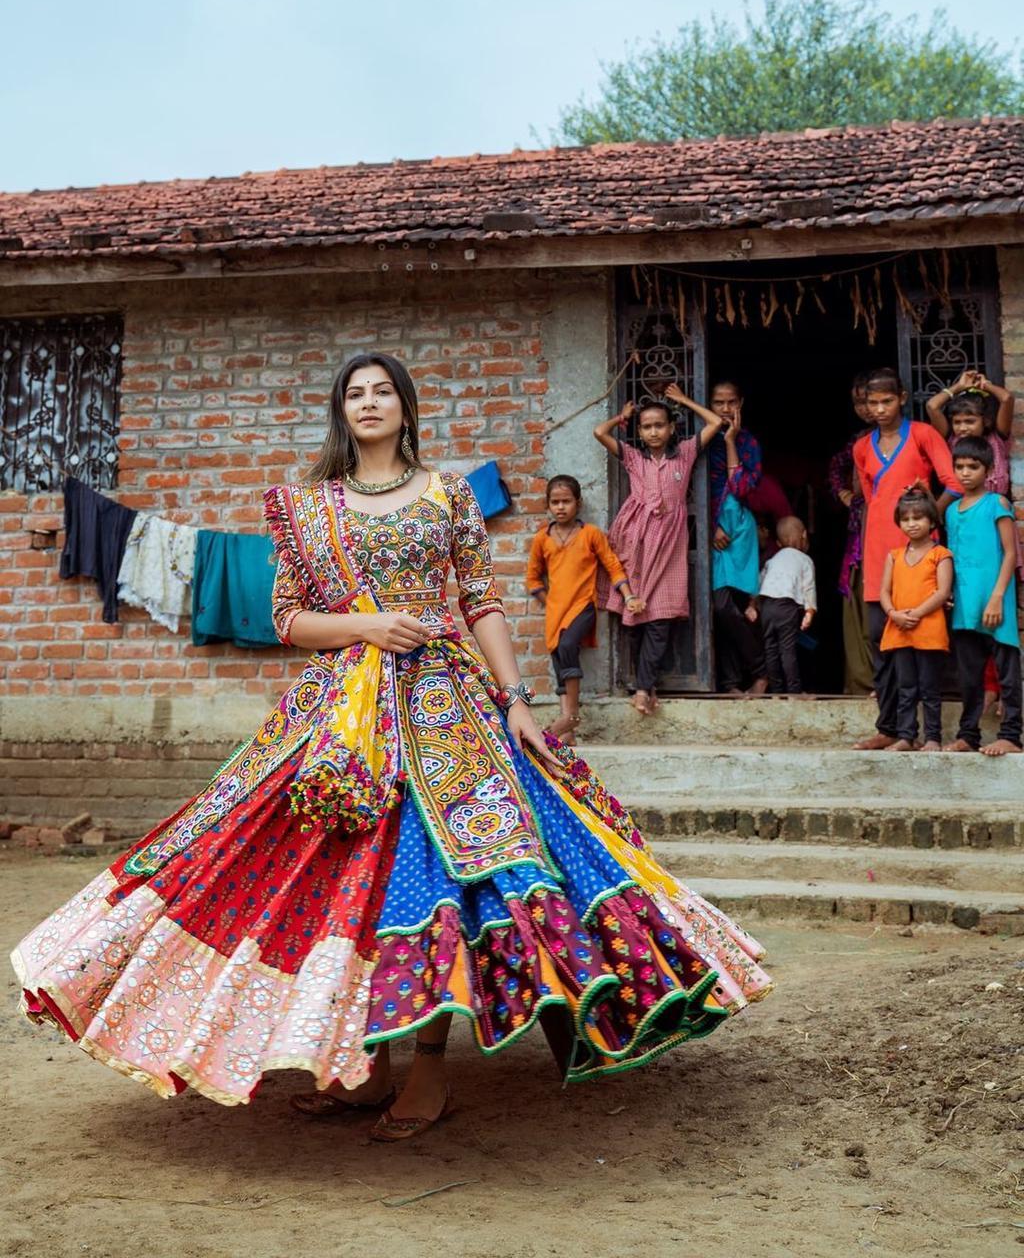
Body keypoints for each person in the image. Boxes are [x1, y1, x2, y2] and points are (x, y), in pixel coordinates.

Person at [12, 351, 773, 1141]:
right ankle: (366, 1064)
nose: (369, 403)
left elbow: (480, 601)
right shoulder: (309, 506)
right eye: (354, 394)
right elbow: (289, 621)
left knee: (436, 875)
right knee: (344, 878)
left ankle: (431, 1074)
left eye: (383, 392)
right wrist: (368, 626)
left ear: (406, 409)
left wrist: (516, 700)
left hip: (449, 709)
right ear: (341, 412)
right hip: (342, 715)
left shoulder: (445, 493)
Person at [594, 384, 722, 715]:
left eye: (659, 425)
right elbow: (599, 431)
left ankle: (642, 687)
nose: (653, 431)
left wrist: (683, 401)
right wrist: (620, 417)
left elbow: (715, 423)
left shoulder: (687, 453)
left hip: (670, 546)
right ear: (639, 430)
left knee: (661, 616)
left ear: (671, 427)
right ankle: (644, 687)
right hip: (636, 541)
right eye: (647, 426)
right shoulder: (634, 457)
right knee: (634, 617)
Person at [851, 368, 961, 750]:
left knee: (921, 644)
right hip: (879, 553)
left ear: (901, 397)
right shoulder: (862, 447)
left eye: (886, 401)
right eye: (871, 402)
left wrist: (929, 514)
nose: (879, 409)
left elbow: (954, 483)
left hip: (919, 556)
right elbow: (872, 499)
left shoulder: (924, 435)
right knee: (881, 642)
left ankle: (924, 732)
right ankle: (890, 727)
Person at [526, 474, 645, 744]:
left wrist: (628, 596)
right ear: (547, 505)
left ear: (577, 503)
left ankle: (572, 717)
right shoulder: (542, 539)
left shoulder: (590, 534)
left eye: (566, 501)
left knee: (568, 646)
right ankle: (567, 733)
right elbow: (533, 578)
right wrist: (550, 602)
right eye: (555, 502)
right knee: (558, 658)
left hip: (583, 606)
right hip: (556, 611)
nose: (560, 507)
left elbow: (613, 565)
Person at [943, 436, 1023, 757]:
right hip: (964, 603)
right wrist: (946, 591)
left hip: (994, 601)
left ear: (988, 470)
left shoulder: (996, 504)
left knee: (1006, 670)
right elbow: (952, 555)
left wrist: (997, 596)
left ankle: (1011, 736)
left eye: (972, 466)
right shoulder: (950, 511)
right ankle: (968, 735)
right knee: (969, 676)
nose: (965, 473)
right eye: (959, 466)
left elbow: (1009, 553)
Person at [878, 486, 953, 752]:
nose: (912, 524)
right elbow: (884, 592)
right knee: (906, 687)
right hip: (899, 629)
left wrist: (916, 614)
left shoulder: (940, 555)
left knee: (930, 688)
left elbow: (942, 592)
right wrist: (893, 614)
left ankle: (933, 738)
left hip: (928, 630)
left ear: (931, 521)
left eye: (918, 518)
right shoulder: (894, 556)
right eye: (906, 519)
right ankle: (906, 736)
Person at [707, 380, 768, 696]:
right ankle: (760, 669)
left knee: (742, 605)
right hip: (713, 532)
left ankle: (735, 682)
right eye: (719, 403)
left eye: (732, 402)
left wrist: (731, 441)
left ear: (741, 404)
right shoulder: (702, 440)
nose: (726, 409)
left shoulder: (749, 443)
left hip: (741, 531)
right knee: (721, 608)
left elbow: (742, 488)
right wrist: (708, 525)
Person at [827, 372, 874, 694]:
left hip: (895, 537)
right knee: (857, 609)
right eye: (859, 402)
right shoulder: (858, 441)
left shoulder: (908, 437)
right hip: (859, 535)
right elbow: (834, 467)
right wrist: (842, 492)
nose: (868, 409)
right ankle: (863, 683)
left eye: (872, 401)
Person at [745, 516, 816, 695]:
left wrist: (752, 605)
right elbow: (809, 587)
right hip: (787, 607)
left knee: (770, 649)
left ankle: (776, 691)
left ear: (777, 542)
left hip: (768, 607)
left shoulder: (772, 560)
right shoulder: (805, 560)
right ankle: (793, 691)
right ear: (804, 535)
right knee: (787, 649)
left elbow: (758, 583)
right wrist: (809, 611)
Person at [925, 370, 1015, 495]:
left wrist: (985, 385)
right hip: (961, 507)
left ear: (986, 421)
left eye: (970, 422)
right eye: (957, 422)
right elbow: (932, 406)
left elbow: (1007, 398)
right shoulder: (952, 439)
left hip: (995, 506)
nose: (962, 428)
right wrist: (958, 387)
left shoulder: (997, 438)